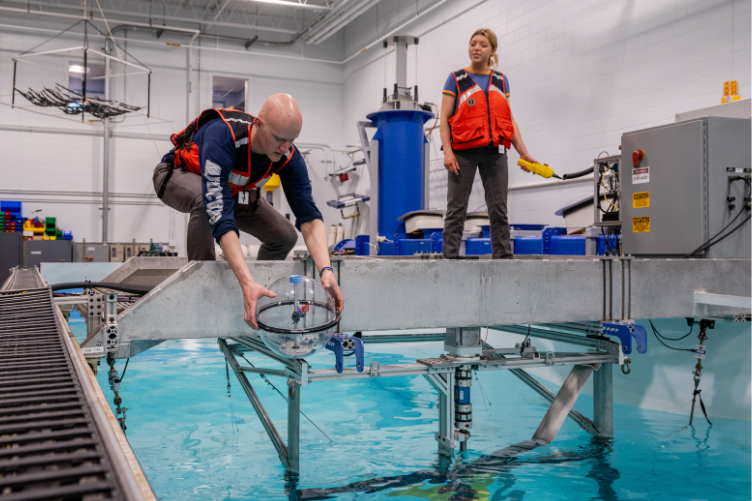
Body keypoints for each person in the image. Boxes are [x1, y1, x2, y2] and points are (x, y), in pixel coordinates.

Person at [153, 93, 344, 328]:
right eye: (279, 139)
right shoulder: (223, 135)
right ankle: (203, 289)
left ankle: (258, 291)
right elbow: (219, 214)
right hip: (176, 175)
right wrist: (242, 281)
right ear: (259, 124)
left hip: (232, 190)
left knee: (284, 236)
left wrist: (326, 269)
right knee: (206, 204)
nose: (285, 148)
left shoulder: (288, 155)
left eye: (292, 140)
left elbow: (309, 217)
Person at [440, 28, 539, 259]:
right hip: (462, 153)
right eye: (473, 43)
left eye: (483, 45)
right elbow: (444, 119)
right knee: (456, 209)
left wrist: (523, 153)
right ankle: (449, 261)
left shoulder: (501, 80)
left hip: (495, 152)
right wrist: (447, 152)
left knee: (499, 209)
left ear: (493, 50)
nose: (476, 48)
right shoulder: (455, 78)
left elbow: (507, 118)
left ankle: (503, 260)